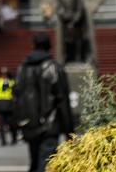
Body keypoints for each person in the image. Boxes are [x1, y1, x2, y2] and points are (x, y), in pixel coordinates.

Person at [16, 32, 74, 172]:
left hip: (29, 124)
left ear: (34, 45)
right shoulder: (55, 68)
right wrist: (69, 130)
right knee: (46, 163)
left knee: (35, 161)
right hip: (50, 126)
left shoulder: (22, 68)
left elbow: (16, 96)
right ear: (49, 46)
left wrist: (17, 123)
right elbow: (62, 100)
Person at [0, 67, 17, 146]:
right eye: (2, 74)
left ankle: (14, 139)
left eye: (5, 74)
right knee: (1, 125)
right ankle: (3, 141)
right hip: (0, 105)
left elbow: (15, 92)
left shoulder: (12, 82)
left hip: (9, 105)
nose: (4, 76)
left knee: (12, 124)